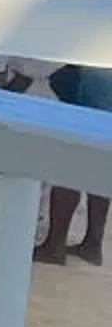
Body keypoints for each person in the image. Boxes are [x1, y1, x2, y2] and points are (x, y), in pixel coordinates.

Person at [40, 65, 111, 265]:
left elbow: (29, 73)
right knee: (100, 162)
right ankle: (92, 244)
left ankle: (54, 246)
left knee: (70, 164)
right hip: (101, 74)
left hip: (91, 77)